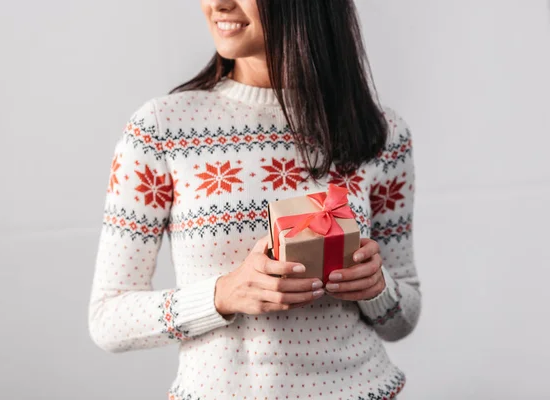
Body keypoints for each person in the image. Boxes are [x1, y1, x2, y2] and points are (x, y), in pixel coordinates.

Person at [87, 0, 422, 398]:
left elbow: (402, 320)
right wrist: (223, 295)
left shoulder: (381, 133)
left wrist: (376, 287)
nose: (218, 4)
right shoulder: (161, 130)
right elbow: (108, 318)